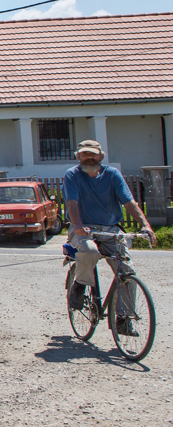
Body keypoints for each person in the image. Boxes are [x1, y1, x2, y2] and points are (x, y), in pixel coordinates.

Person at [65, 139, 155, 335]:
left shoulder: (112, 174)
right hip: (83, 229)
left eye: (93, 154)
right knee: (89, 251)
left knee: (127, 271)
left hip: (110, 229)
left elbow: (129, 202)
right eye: (84, 154)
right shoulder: (72, 175)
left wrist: (145, 225)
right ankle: (80, 285)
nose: (89, 157)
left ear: (101, 155)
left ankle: (123, 318)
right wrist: (78, 225)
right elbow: (72, 203)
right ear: (78, 156)